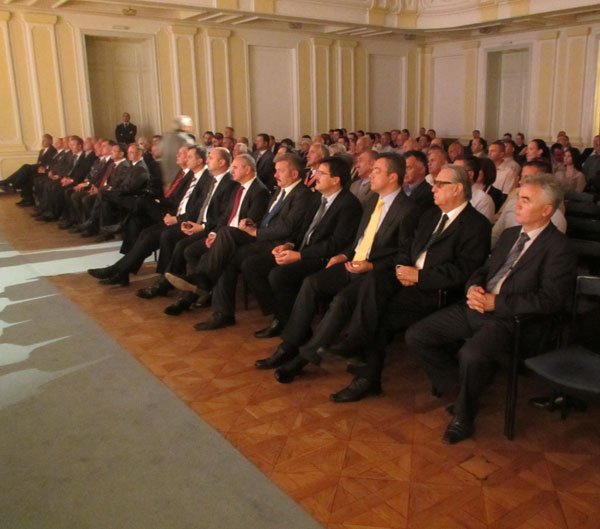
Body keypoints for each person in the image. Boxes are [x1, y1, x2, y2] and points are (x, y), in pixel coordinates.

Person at [405, 173, 576, 444]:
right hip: (478, 305)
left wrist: (497, 303)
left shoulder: (559, 247)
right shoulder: (510, 235)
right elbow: (483, 269)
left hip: (513, 319)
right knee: (417, 335)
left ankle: (464, 415)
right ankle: (464, 390)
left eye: (526, 200)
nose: (517, 204)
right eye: (519, 198)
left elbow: (550, 299)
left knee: (471, 354)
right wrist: (473, 287)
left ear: (546, 210)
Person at [328, 164, 491, 403]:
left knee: (379, 313)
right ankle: (357, 345)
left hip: (435, 291)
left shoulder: (477, 225)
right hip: (406, 278)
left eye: (440, 184)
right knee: (374, 279)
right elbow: (406, 247)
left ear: (457, 189)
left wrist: (419, 277)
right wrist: (402, 269)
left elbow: (464, 270)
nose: (433, 188)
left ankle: (363, 364)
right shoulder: (430, 215)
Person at [254, 152, 421, 382]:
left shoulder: (408, 209)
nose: (370, 175)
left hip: (376, 272)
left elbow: (404, 255)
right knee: (312, 283)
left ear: (393, 177)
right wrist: (343, 255)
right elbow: (359, 240)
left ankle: (302, 358)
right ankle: (290, 344)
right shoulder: (373, 201)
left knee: (342, 300)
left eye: (376, 171)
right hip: (352, 262)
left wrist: (370, 265)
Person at [165, 152, 312, 330]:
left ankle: (205, 283)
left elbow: (286, 228)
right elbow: (266, 219)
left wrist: (255, 231)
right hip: (261, 236)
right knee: (224, 255)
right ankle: (222, 312)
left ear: (294, 174)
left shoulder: (302, 194)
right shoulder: (281, 191)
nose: (275, 175)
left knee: (225, 236)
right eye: (275, 170)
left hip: (277, 243)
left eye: (280, 171)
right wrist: (252, 223)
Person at [247, 156, 362, 339]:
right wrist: (289, 244)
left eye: (321, 173)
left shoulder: (349, 205)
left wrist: (300, 255)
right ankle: (282, 315)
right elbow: (302, 229)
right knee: (253, 265)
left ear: (335, 180)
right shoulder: (317, 198)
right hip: (301, 249)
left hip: (321, 258)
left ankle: (293, 327)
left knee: (279, 275)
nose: (315, 176)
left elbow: (335, 244)